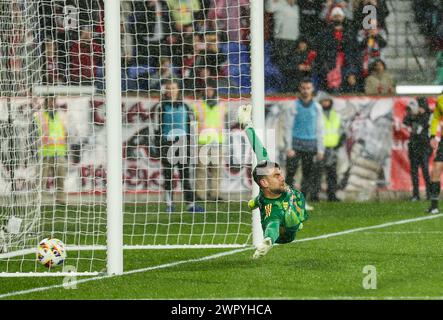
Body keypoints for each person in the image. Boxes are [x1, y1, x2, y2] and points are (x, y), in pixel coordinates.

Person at [237, 104, 309, 259]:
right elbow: (272, 225)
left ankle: (297, 215)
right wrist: (268, 240)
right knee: (287, 218)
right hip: (285, 235)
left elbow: (258, 147)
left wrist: (247, 124)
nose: (282, 178)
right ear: (264, 183)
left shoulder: (266, 170)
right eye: (277, 176)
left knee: (295, 200)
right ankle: (294, 221)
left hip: (281, 200)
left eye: (280, 173)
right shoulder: (272, 208)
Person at [152, 79, 204, 213]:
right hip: (167, 144)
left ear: (178, 89)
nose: (171, 91)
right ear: (165, 90)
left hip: (183, 144)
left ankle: (190, 205)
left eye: (173, 88)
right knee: (168, 175)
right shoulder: (160, 107)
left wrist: (192, 144)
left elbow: (192, 127)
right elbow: (156, 128)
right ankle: (169, 204)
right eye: (168, 88)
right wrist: (158, 146)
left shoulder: (186, 107)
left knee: (185, 175)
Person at [284, 78, 324, 206]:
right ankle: (287, 201)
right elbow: (288, 127)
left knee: (307, 175)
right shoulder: (293, 106)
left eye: (308, 88)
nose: (306, 91)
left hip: (310, 145)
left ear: (312, 89)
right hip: (295, 145)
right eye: (303, 88)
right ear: (300, 89)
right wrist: (288, 147)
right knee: (290, 174)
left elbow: (320, 129)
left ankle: (302, 202)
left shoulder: (317, 107)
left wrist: (320, 149)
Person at [194, 80, 226, 201]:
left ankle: (215, 194)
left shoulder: (221, 104)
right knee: (201, 169)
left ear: (214, 90)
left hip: (217, 140)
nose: (208, 91)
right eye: (206, 89)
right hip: (203, 140)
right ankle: (200, 194)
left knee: (216, 169)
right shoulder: (198, 104)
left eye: (210, 89)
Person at [312, 91, 346, 201]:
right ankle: (314, 196)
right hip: (320, 149)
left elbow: (342, 130)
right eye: (323, 101)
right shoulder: (316, 115)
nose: (326, 103)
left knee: (332, 173)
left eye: (327, 101)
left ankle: (332, 195)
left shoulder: (336, 115)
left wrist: (340, 142)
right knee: (317, 173)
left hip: (333, 148)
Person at [34, 96, 68, 204]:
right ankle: (38, 200)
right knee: (41, 178)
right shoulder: (40, 116)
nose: (52, 103)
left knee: (60, 177)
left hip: (59, 151)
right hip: (45, 152)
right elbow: (36, 133)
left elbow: (65, 132)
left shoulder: (61, 116)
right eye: (49, 101)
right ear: (45, 102)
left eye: (53, 101)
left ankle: (60, 198)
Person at [403, 98, 432, 201]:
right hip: (414, 147)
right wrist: (411, 113)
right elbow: (405, 122)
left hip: (424, 147)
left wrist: (417, 116)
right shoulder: (413, 117)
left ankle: (429, 193)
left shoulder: (427, 115)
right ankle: (416, 195)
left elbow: (420, 126)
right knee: (414, 172)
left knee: (425, 171)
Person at [426, 92, 443, 214]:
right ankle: (434, 205)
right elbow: (436, 117)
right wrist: (433, 135)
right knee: (436, 170)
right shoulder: (441, 100)